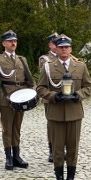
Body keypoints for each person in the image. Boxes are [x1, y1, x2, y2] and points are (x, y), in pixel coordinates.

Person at [36, 35, 91, 180]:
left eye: (67, 47)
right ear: (56, 48)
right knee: (58, 149)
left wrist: (78, 95)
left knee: (73, 148)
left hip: (75, 113)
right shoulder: (48, 66)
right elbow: (40, 89)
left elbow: (88, 87)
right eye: (61, 47)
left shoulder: (80, 66)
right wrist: (54, 96)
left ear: (71, 49)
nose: (64, 49)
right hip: (56, 113)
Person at [0, 30, 35, 170]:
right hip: (6, 99)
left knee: (17, 128)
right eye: (10, 41)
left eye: (15, 41)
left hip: (21, 98)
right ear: (4, 43)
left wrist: (33, 91)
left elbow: (29, 79)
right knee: (7, 129)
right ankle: (8, 157)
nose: (13, 43)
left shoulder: (22, 59)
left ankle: (17, 156)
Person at [39, 33, 58, 163]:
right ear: (50, 45)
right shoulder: (45, 59)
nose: (57, 46)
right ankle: (52, 150)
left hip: (66, 96)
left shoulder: (69, 58)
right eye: (54, 43)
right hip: (50, 97)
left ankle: (62, 149)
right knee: (52, 124)